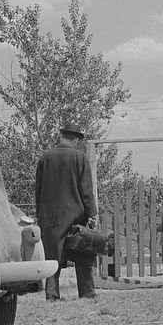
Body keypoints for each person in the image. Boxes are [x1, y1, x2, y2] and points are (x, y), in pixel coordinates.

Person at [35, 123, 98, 300]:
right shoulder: (80, 157)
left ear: (62, 136)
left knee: (52, 256)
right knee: (82, 254)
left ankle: (52, 294)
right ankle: (87, 293)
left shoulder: (45, 157)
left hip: (50, 217)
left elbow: (38, 190)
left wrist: (39, 214)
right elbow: (86, 190)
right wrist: (92, 214)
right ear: (76, 139)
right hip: (76, 215)